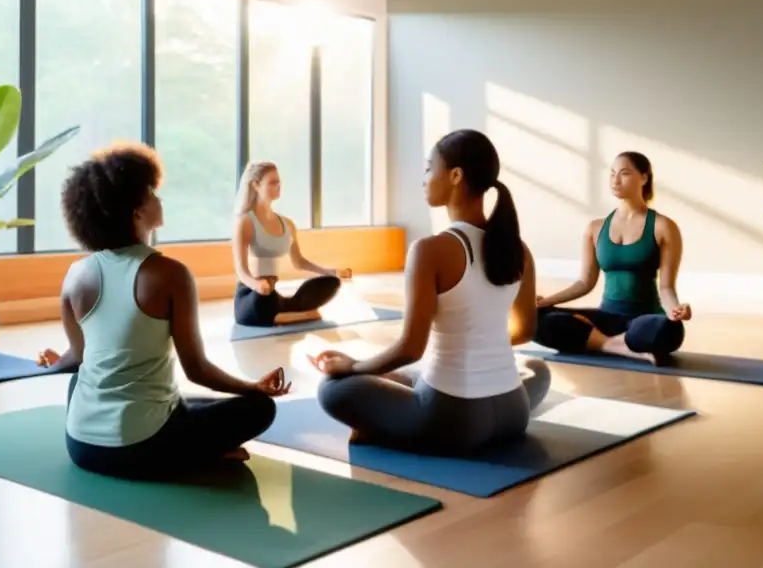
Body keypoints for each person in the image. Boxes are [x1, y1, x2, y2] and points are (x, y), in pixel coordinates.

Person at [36, 142, 291, 481]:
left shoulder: (76, 274)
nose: (160, 199)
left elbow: (78, 357)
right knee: (258, 408)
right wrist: (253, 388)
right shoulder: (169, 274)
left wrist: (55, 362)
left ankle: (188, 446)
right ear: (136, 212)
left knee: (91, 384)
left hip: (81, 446)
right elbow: (197, 369)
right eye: (152, 192)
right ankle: (197, 456)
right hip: (141, 448)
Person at [309, 129, 551, 456]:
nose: (423, 178)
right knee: (537, 368)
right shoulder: (518, 249)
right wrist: (481, 345)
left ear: (455, 175)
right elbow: (525, 331)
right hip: (514, 412)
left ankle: (382, 428)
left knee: (332, 389)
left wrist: (352, 368)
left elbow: (411, 348)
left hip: (455, 420)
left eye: (428, 168)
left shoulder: (430, 250)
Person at [533, 151, 690, 365]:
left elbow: (666, 288)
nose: (615, 180)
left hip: (645, 319)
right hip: (606, 318)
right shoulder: (595, 228)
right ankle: (616, 345)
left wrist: (675, 310)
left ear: (644, 178)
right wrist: (546, 302)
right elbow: (584, 283)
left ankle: (600, 342)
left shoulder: (664, 227)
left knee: (666, 330)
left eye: (624, 173)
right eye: (612, 173)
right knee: (533, 319)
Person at [232, 161, 349, 327]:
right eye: (272, 182)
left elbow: (299, 262)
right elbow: (241, 269)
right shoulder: (246, 222)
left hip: (273, 294)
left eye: (279, 182)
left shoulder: (287, 224)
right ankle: (291, 315)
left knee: (331, 283)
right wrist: (257, 285)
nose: (278, 186)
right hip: (252, 295)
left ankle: (283, 313)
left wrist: (331, 271)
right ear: (256, 185)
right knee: (266, 299)